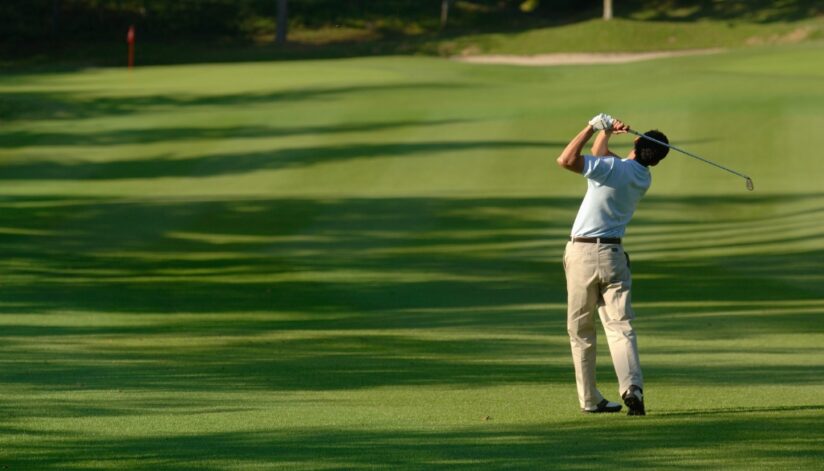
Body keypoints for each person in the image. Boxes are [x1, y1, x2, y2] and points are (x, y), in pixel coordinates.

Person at [555, 113, 669, 416]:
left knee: (581, 331)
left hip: (583, 255)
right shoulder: (642, 176)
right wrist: (606, 134)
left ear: (636, 142)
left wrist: (593, 127)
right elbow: (603, 159)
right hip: (615, 258)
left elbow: (566, 160)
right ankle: (633, 388)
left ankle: (590, 399)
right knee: (620, 327)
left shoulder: (612, 169)